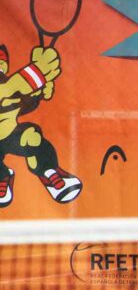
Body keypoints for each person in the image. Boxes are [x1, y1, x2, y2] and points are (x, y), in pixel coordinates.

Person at [0, 44, 82, 208]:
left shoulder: (10, 87)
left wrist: (41, 91)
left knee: (32, 137)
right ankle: (2, 177)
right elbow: (9, 88)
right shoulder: (9, 87)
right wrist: (37, 73)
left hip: (11, 135)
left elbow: (23, 101)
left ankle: (48, 171)